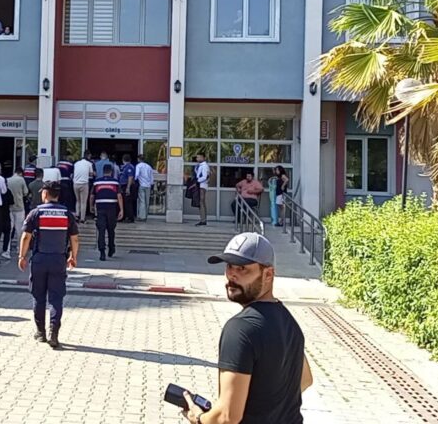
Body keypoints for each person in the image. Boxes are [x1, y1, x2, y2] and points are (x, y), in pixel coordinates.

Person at [180, 233, 312, 424]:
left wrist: (199, 417)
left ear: (268, 274)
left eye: (243, 268)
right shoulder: (289, 321)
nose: (232, 275)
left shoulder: (240, 329)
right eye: (229, 266)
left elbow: (227, 417)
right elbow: (305, 379)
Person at [17, 181, 79, 349]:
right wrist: (73, 256)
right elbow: (74, 238)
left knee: (38, 297)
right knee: (56, 298)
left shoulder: (36, 212)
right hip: (58, 259)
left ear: (45, 194)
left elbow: (26, 236)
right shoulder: (67, 214)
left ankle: (41, 332)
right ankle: (54, 333)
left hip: (39, 260)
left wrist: (22, 256)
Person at [92, 165, 124, 261]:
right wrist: (121, 209)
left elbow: (92, 196)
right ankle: (111, 248)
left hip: (100, 208)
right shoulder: (115, 182)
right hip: (112, 208)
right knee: (111, 229)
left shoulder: (97, 182)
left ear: (103, 171)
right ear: (111, 172)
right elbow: (119, 196)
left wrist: (91, 207)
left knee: (101, 230)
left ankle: (102, 252)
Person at [7, 167, 30, 254]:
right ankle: (19, 248)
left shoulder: (8, 180)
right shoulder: (21, 180)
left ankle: (7, 248)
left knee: (9, 229)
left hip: (9, 207)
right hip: (19, 206)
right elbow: (25, 192)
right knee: (19, 229)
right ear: (21, 173)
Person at [72, 152, 94, 223]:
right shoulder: (89, 164)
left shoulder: (76, 163)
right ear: (88, 156)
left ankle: (77, 215)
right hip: (84, 184)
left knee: (77, 200)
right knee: (83, 202)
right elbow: (91, 173)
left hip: (75, 183)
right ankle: (82, 218)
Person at [134, 155, 155, 222]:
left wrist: (134, 180)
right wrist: (151, 184)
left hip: (142, 185)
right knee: (147, 201)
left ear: (138, 159)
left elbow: (136, 175)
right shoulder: (149, 166)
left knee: (142, 201)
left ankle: (141, 216)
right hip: (148, 186)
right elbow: (151, 177)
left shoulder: (138, 166)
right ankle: (146, 216)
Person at [119, 154, 137, 223]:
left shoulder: (129, 167)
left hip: (127, 186)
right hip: (124, 186)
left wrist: (128, 188)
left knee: (128, 202)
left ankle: (130, 217)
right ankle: (124, 216)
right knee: (125, 202)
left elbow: (130, 177)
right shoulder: (125, 167)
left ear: (123, 160)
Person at [194, 153, 211, 227]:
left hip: (202, 185)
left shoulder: (204, 166)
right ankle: (203, 219)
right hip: (200, 184)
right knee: (201, 202)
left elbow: (205, 177)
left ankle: (203, 220)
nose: (197, 159)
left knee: (201, 201)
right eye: (197, 157)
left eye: (199, 157)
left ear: (203, 158)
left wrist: (197, 181)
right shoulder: (200, 165)